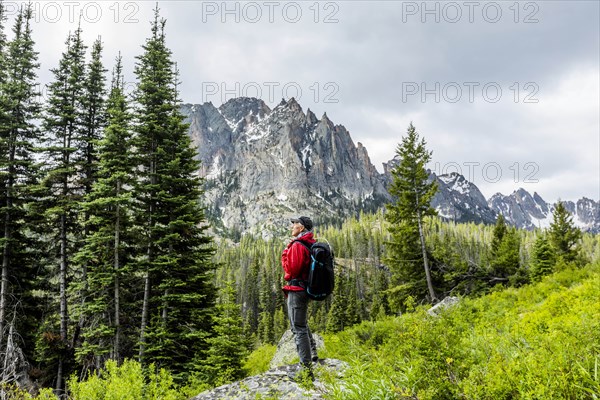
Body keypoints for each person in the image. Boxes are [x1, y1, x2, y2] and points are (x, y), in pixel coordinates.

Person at [281, 216, 319, 378]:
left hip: (297, 289)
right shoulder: (308, 242)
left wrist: (285, 256)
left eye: (294, 223)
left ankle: (306, 370)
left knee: (298, 328)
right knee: (301, 324)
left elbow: (293, 270)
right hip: (305, 288)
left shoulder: (298, 244)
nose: (292, 226)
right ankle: (313, 352)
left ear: (301, 227)